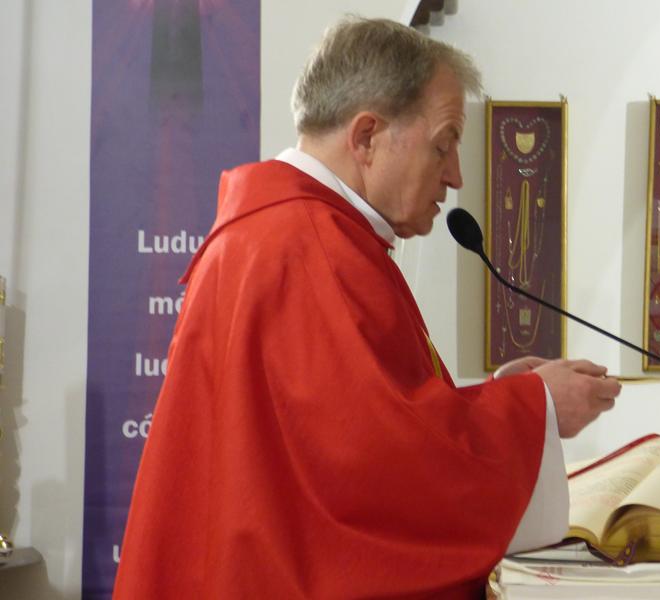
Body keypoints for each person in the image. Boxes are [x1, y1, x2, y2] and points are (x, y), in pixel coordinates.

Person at [113, 17, 621, 599]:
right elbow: (379, 473)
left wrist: (499, 396)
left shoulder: (282, 232)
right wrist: (535, 409)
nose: (455, 176)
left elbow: (361, 429)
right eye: (443, 144)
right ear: (366, 138)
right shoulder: (312, 250)